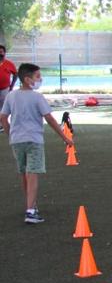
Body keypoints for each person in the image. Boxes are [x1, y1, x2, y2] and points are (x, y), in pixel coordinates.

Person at [0, 63, 74, 223]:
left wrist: (10, 133)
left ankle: (31, 204)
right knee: (32, 173)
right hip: (34, 140)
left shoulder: (11, 96)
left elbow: (3, 117)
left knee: (24, 173)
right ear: (27, 79)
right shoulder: (37, 97)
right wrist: (65, 137)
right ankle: (31, 210)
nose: (40, 79)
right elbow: (50, 118)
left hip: (17, 141)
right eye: (38, 76)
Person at [0, 45, 17, 124]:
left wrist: (11, 86)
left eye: (1, 52)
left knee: (4, 107)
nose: (0, 54)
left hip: (4, 89)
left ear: (4, 53)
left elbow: (16, 75)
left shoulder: (9, 64)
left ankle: (3, 123)